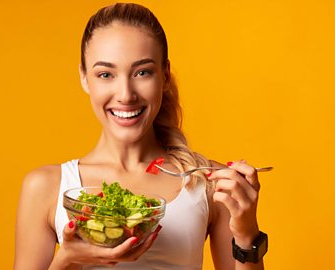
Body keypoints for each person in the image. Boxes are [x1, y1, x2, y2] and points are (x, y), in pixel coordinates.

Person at [14, 3, 267, 270]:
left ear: (165, 75)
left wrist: (246, 232)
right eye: (105, 74)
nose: (125, 94)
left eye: (142, 72)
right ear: (85, 78)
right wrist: (68, 259)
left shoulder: (209, 183)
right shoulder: (45, 187)